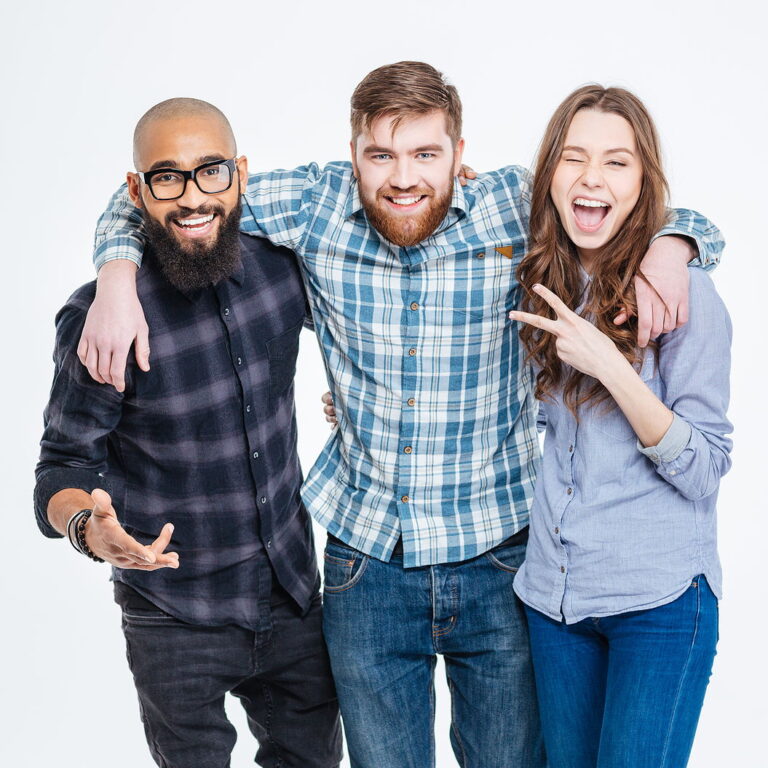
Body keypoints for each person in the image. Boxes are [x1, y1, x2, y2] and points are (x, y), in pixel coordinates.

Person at [76, 63, 723, 768]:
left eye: (425, 154)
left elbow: (624, 202)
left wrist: (677, 243)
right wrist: (115, 277)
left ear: (459, 152)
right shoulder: (312, 204)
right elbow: (170, 189)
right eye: (381, 154)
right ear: (351, 154)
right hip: (368, 567)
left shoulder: (514, 203)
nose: (403, 177)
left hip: (500, 557)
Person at [34, 98, 342, 768]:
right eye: (168, 178)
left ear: (241, 176)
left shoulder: (282, 270)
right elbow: (61, 468)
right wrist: (91, 528)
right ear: (137, 191)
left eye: (211, 172)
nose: (192, 196)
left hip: (292, 595)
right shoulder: (102, 318)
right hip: (173, 616)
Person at [509, 86, 731, 768]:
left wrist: (616, 370)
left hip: (659, 602)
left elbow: (705, 467)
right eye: (573, 158)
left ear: (643, 181)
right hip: (554, 599)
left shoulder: (683, 293)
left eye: (617, 162)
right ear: (549, 174)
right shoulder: (537, 277)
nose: (591, 178)